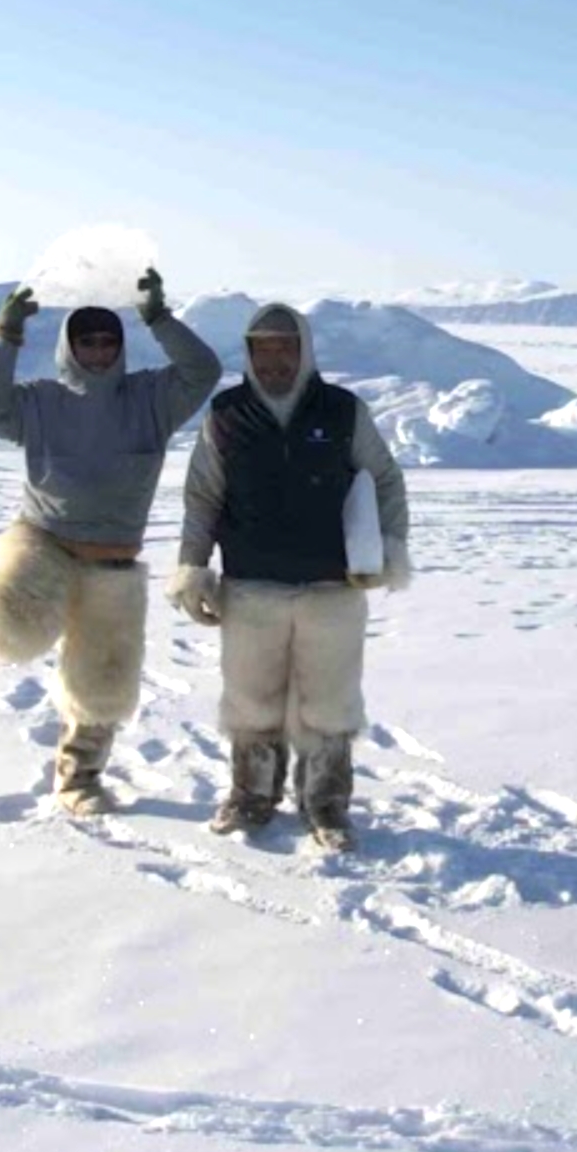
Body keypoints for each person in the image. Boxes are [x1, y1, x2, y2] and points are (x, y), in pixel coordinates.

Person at [0, 267, 218, 816]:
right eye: (86, 341)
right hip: (45, 541)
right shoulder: (42, 401)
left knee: (103, 682)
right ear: (70, 347)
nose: (99, 350)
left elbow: (203, 370)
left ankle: (78, 781)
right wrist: (6, 336)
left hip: (114, 558)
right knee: (11, 631)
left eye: (108, 340)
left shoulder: (152, 398)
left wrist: (158, 317)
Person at [169, 301, 411, 852]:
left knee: (330, 703)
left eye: (285, 347)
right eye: (263, 349)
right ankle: (251, 796)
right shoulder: (225, 413)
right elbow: (202, 498)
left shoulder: (342, 410)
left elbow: (384, 479)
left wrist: (387, 548)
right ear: (249, 354)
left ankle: (326, 804)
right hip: (250, 586)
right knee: (251, 701)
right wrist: (193, 567)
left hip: (333, 588)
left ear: (305, 351)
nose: (274, 360)